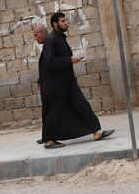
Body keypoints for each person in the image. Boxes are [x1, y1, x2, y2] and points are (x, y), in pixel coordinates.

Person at [40, 12, 114, 149]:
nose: (67, 23)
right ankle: (49, 141)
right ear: (55, 24)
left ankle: (96, 132)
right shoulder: (51, 40)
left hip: (68, 82)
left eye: (66, 20)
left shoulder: (60, 38)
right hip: (57, 85)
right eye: (63, 21)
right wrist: (69, 60)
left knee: (82, 105)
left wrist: (71, 59)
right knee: (54, 112)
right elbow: (49, 61)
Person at [33, 23, 49, 145]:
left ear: (42, 34)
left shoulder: (49, 45)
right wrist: (40, 80)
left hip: (50, 86)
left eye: (36, 35)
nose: (34, 38)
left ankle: (48, 137)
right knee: (47, 112)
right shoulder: (46, 45)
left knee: (49, 112)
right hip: (46, 84)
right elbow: (44, 67)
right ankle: (47, 136)